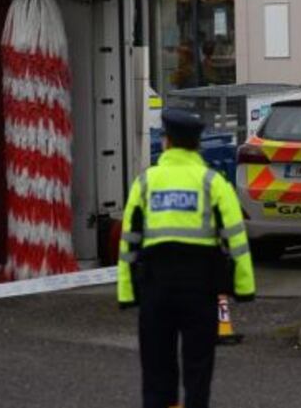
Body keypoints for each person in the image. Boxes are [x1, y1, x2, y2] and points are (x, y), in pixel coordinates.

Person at [117, 108, 255, 408]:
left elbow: (129, 240)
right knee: (198, 372)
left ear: (166, 141)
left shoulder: (146, 182)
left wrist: (127, 292)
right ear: (197, 144)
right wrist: (243, 288)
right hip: (200, 288)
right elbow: (236, 239)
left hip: (156, 288)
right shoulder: (212, 182)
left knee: (156, 372)